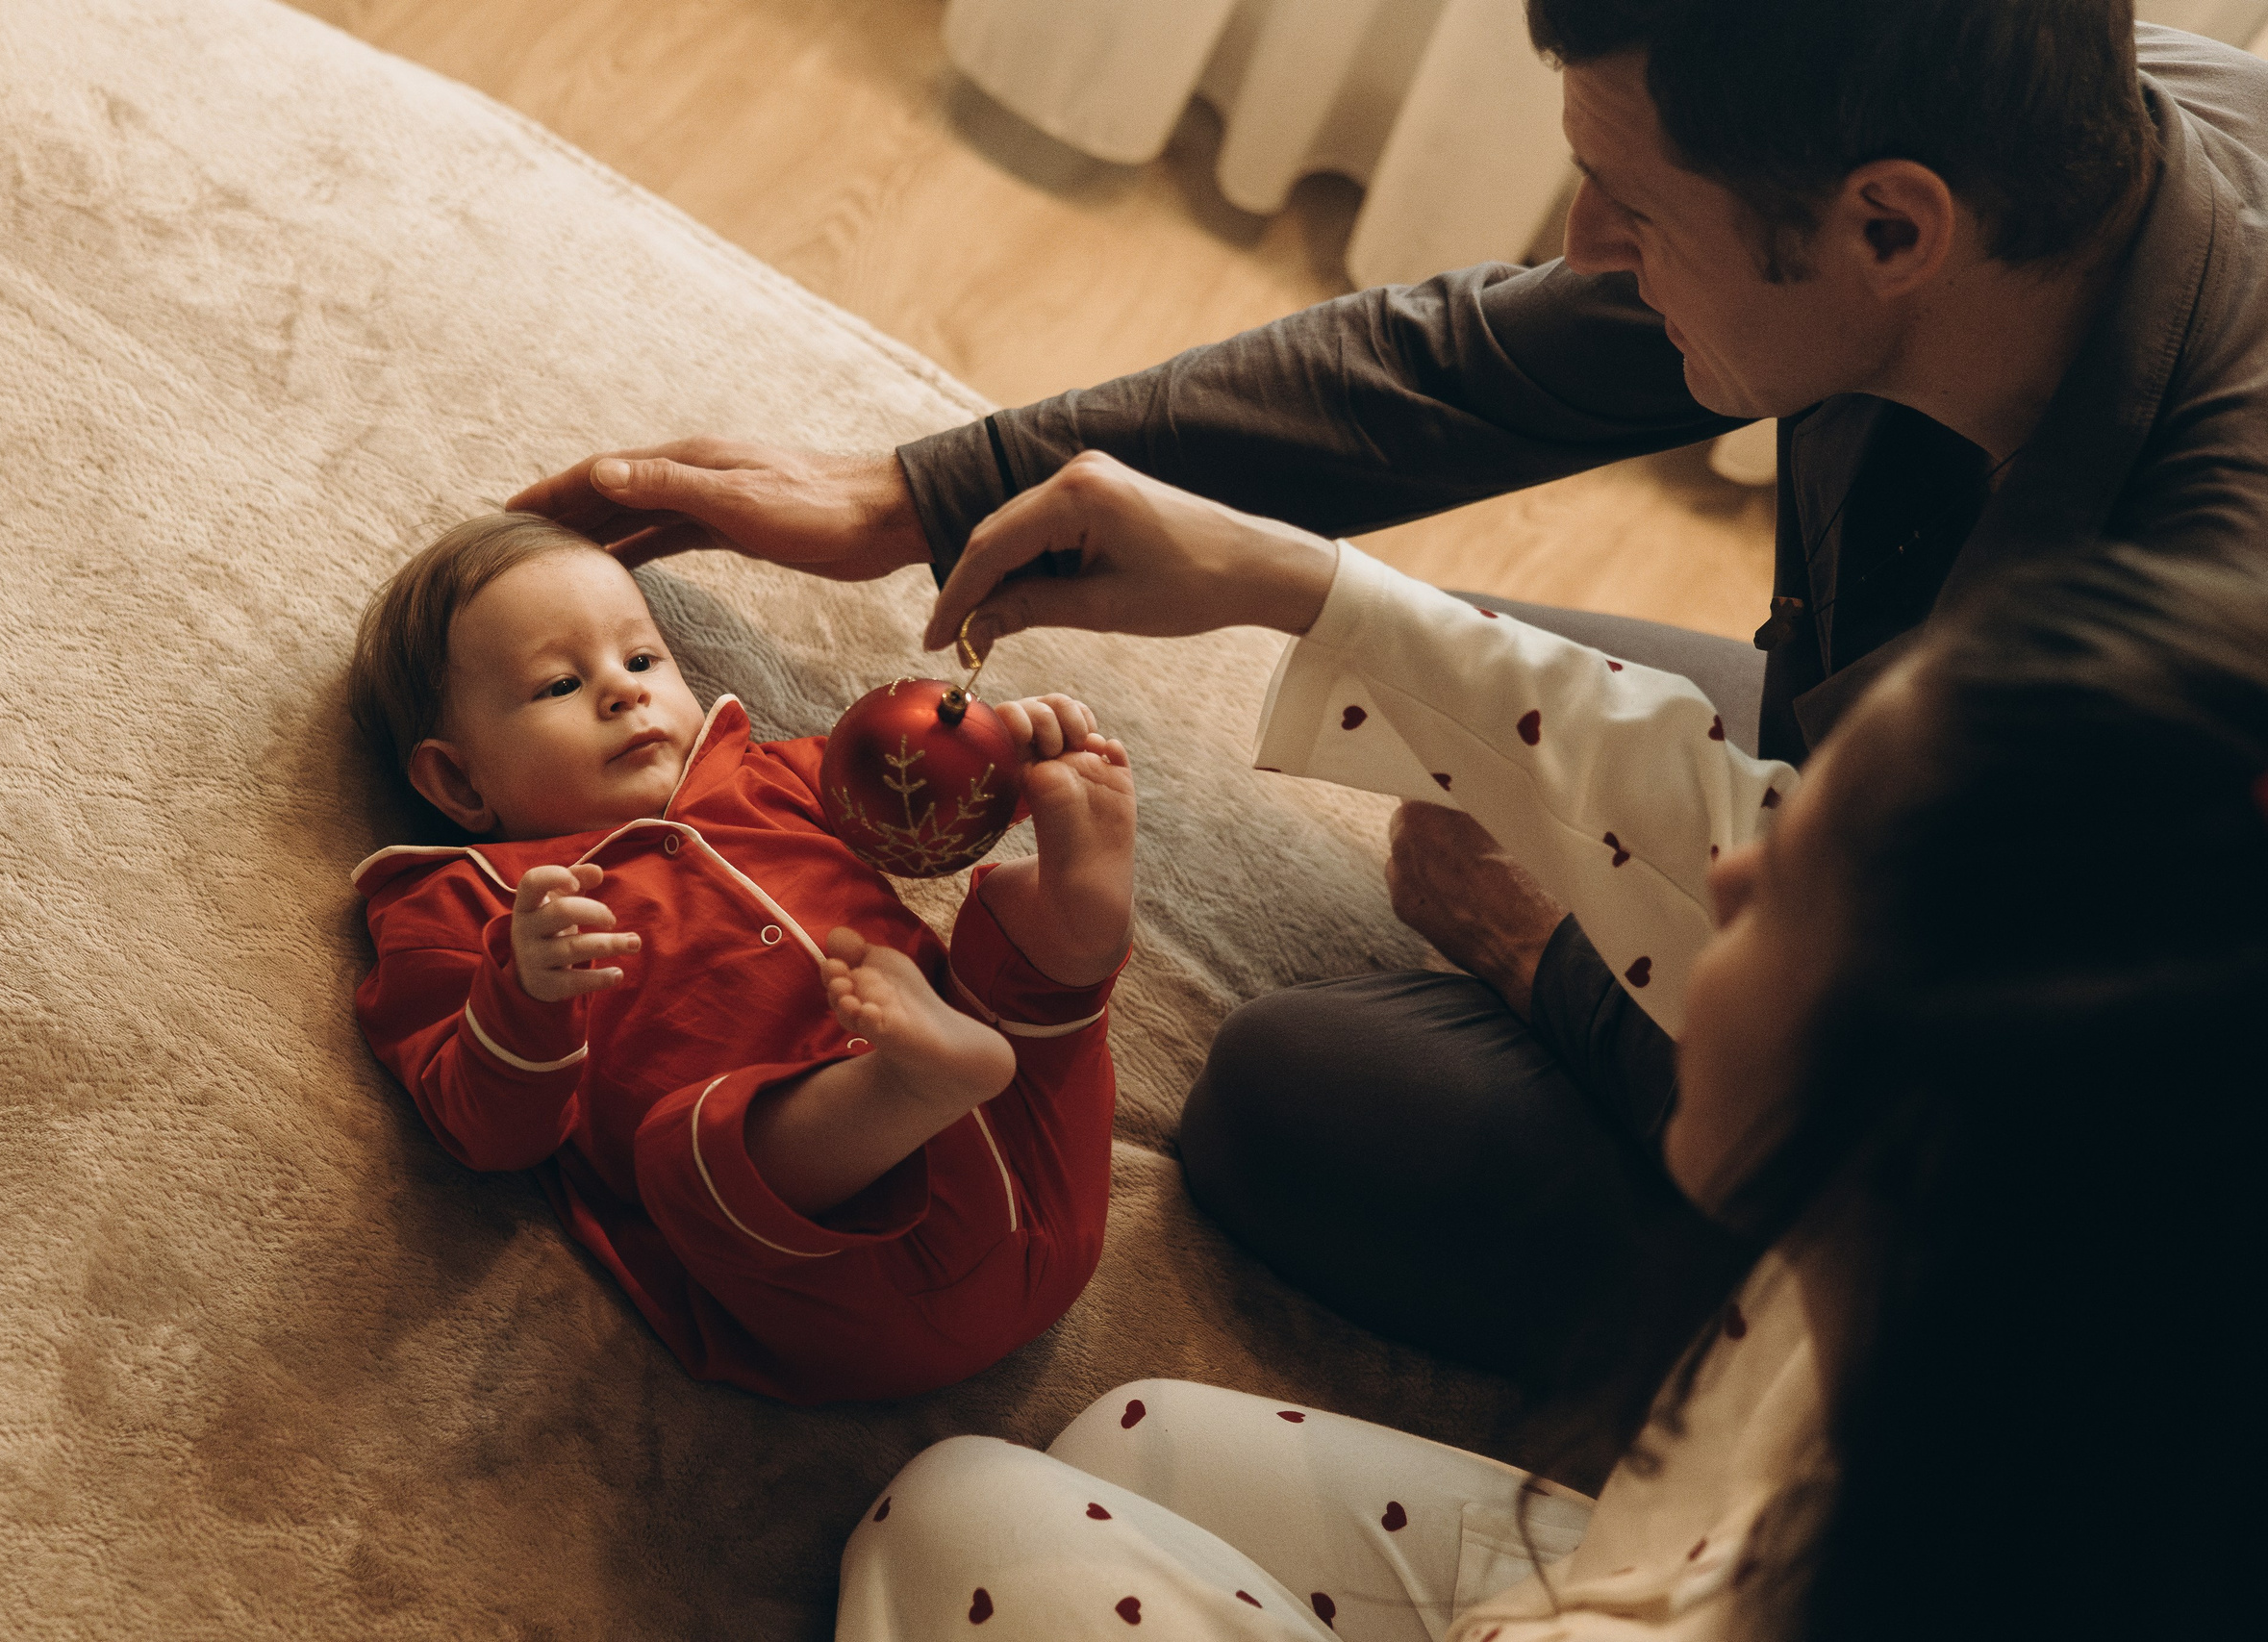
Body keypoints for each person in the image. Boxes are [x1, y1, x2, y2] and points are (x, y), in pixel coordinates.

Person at [503, 2, 2268, 1384]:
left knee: (1301, 1097)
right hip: (1885, 789)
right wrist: (923, 489)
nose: (1583, 242)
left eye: (1636, 203)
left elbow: (1944, 1121)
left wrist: (1542, 947)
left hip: (2044, 1182)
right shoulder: (2068, 126)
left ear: (1889, 226)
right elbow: (1480, 360)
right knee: (1435, 691)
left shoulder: (2198, 648)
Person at [832, 541, 2267, 1639]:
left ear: (1929, 1066)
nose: (1724, 876)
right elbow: (1658, 780)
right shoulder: (2024, 1239)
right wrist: (1290, 577)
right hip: (1662, 1548)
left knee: (954, 1515)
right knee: (1134, 1438)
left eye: (1790, 880)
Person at [343, 513, 1138, 1404]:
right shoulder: (456, 906)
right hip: (842, 1279)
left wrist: (987, 759)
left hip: (1029, 1153)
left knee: (1011, 947)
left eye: (642, 658)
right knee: (685, 1146)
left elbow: (906, 812)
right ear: (459, 782)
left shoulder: (770, 774)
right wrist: (525, 991)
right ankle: (906, 1082)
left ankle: (1080, 887)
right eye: (561, 683)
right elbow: (483, 1132)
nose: (623, 692)